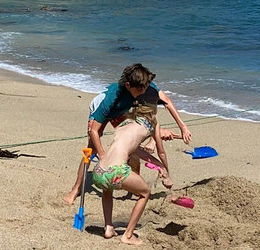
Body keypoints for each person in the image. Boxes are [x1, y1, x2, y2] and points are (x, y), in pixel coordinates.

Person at [63, 63, 192, 204]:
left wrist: (183, 127)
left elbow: (167, 102)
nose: (143, 92)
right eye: (140, 89)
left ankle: (134, 182)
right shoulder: (112, 98)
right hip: (102, 110)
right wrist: (102, 156)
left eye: (145, 88)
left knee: (131, 144)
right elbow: (94, 130)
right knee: (90, 149)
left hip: (122, 110)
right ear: (129, 85)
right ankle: (75, 189)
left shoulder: (143, 84)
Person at [91, 105, 172, 245]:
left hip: (99, 170)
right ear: (152, 112)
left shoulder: (124, 123)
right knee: (145, 192)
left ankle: (108, 227)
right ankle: (127, 235)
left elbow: (134, 150)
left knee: (107, 189)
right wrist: (165, 171)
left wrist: (157, 165)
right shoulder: (151, 124)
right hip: (116, 171)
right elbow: (161, 151)